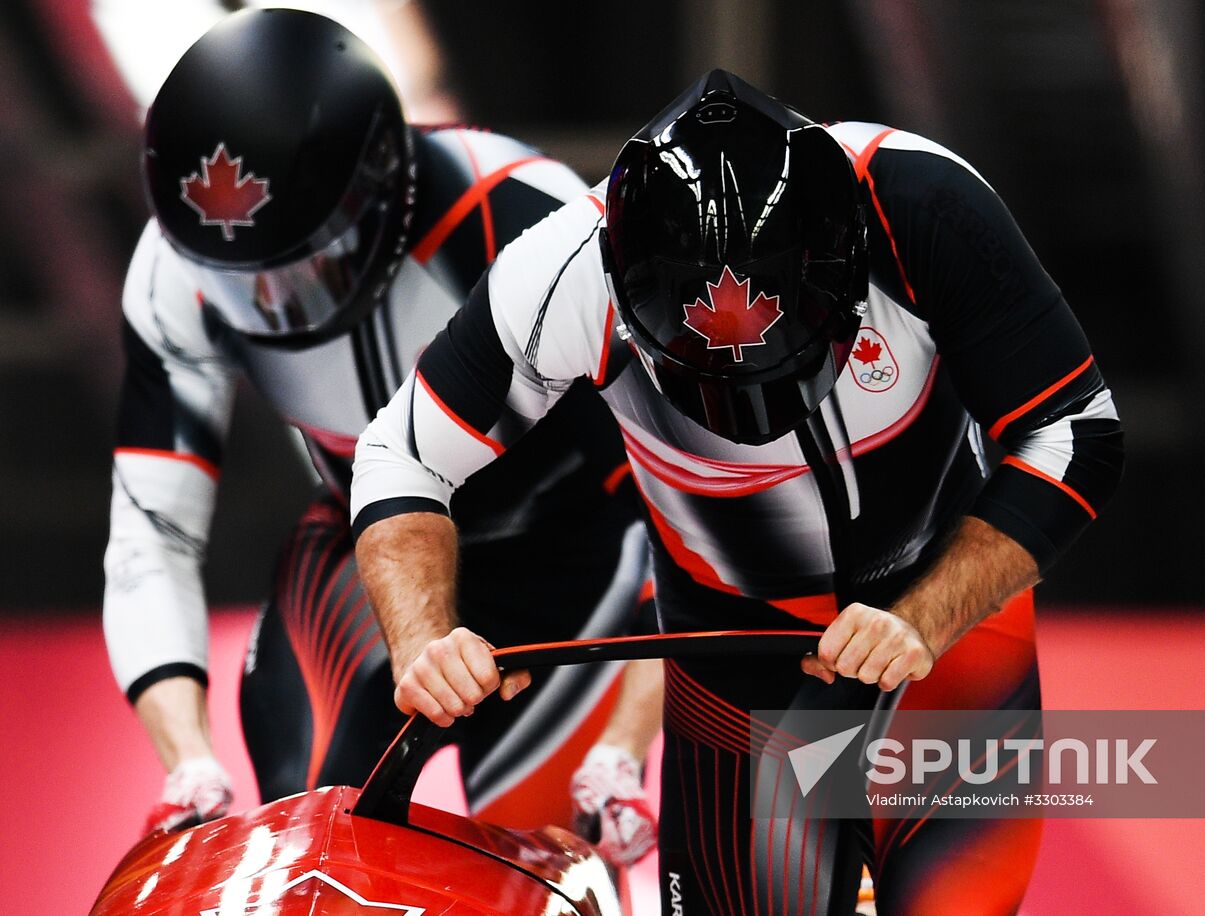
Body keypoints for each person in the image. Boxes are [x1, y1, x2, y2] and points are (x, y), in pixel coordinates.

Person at [351, 70, 1125, 913]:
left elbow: (1076, 429)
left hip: (943, 639)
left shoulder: (924, 205)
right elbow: (401, 454)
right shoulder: (564, 272)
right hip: (736, 659)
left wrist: (923, 617)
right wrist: (424, 637)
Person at [102, 8, 661, 866]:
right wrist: (188, 764)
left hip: (574, 571)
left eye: (304, 270)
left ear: (385, 195)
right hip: (370, 559)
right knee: (302, 840)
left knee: (535, 863)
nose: (273, 312)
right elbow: (151, 536)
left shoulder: (519, 215)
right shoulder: (169, 273)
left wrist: (627, 737)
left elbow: (684, 499)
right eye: (237, 286)